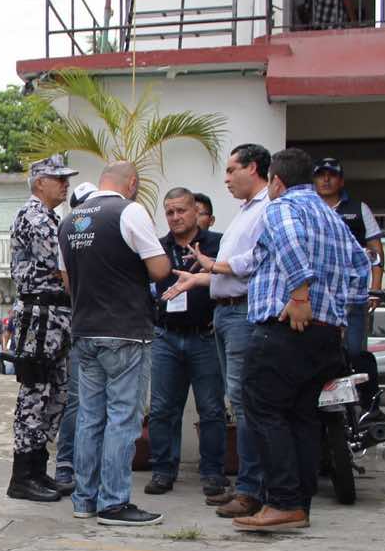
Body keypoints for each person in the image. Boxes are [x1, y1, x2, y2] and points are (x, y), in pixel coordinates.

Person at [189, 148, 369, 530]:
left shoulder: (282, 207)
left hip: (287, 327)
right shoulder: (331, 216)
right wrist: (340, 314)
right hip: (323, 333)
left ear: (276, 181)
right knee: (301, 417)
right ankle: (297, 504)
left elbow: (289, 245)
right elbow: (361, 264)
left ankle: (283, 502)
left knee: (263, 409)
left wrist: (301, 297)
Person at [59, 161, 171, 525]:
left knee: (90, 418)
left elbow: (67, 283)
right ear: (132, 183)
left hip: (85, 331)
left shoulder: (70, 221)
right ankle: (114, 503)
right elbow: (159, 270)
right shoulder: (129, 210)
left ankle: (84, 500)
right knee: (122, 419)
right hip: (124, 331)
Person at [164, 144, 272, 517]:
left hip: (239, 316)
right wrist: (201, 278)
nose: (225, 179)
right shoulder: (247, 211)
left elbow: (257, 260)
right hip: (222, 316)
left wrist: (215, 264)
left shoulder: (268, 210)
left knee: (240, 405)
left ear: (253, 168)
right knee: (235, 404)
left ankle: (249, 489)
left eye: (230, 170)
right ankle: (249, 487)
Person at [144, 188, 227, 497]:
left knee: (212, 409)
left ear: (196, 211)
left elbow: (231, 279)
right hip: (165, 337)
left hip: (205, 337)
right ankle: (163, 471)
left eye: (181, 210)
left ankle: (213, 474)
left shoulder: (217, 244)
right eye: (169, 212)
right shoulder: (156, 248)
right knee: (164, 409)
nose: (176, 217)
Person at [5, 154, 78, 502]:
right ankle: (23, 476)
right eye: (58, 178)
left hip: (55, 316)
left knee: (55, 393)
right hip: (39, 316)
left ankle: (38, 470)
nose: (65, 184)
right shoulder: (35, 217)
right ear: (39, 183)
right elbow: (65, 269)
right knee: (35, 393)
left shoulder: (51, 217)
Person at [313, 157, 385, 420]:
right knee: (318, 354)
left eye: (331, 175)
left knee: (356, 352)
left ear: (340, 180)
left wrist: (375, 289)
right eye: (320, 174)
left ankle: (371, 407)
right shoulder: (307, 208)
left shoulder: (358, 208)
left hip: (353, 296)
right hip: (316, 297)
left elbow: (376, 249)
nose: (325, 179)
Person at [52, 181, 97, 489]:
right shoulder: (68, 235)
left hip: (114, 330)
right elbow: (67, 283)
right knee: (78, 400)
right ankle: (66, 463)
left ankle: (91, 466)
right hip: (80, 328)